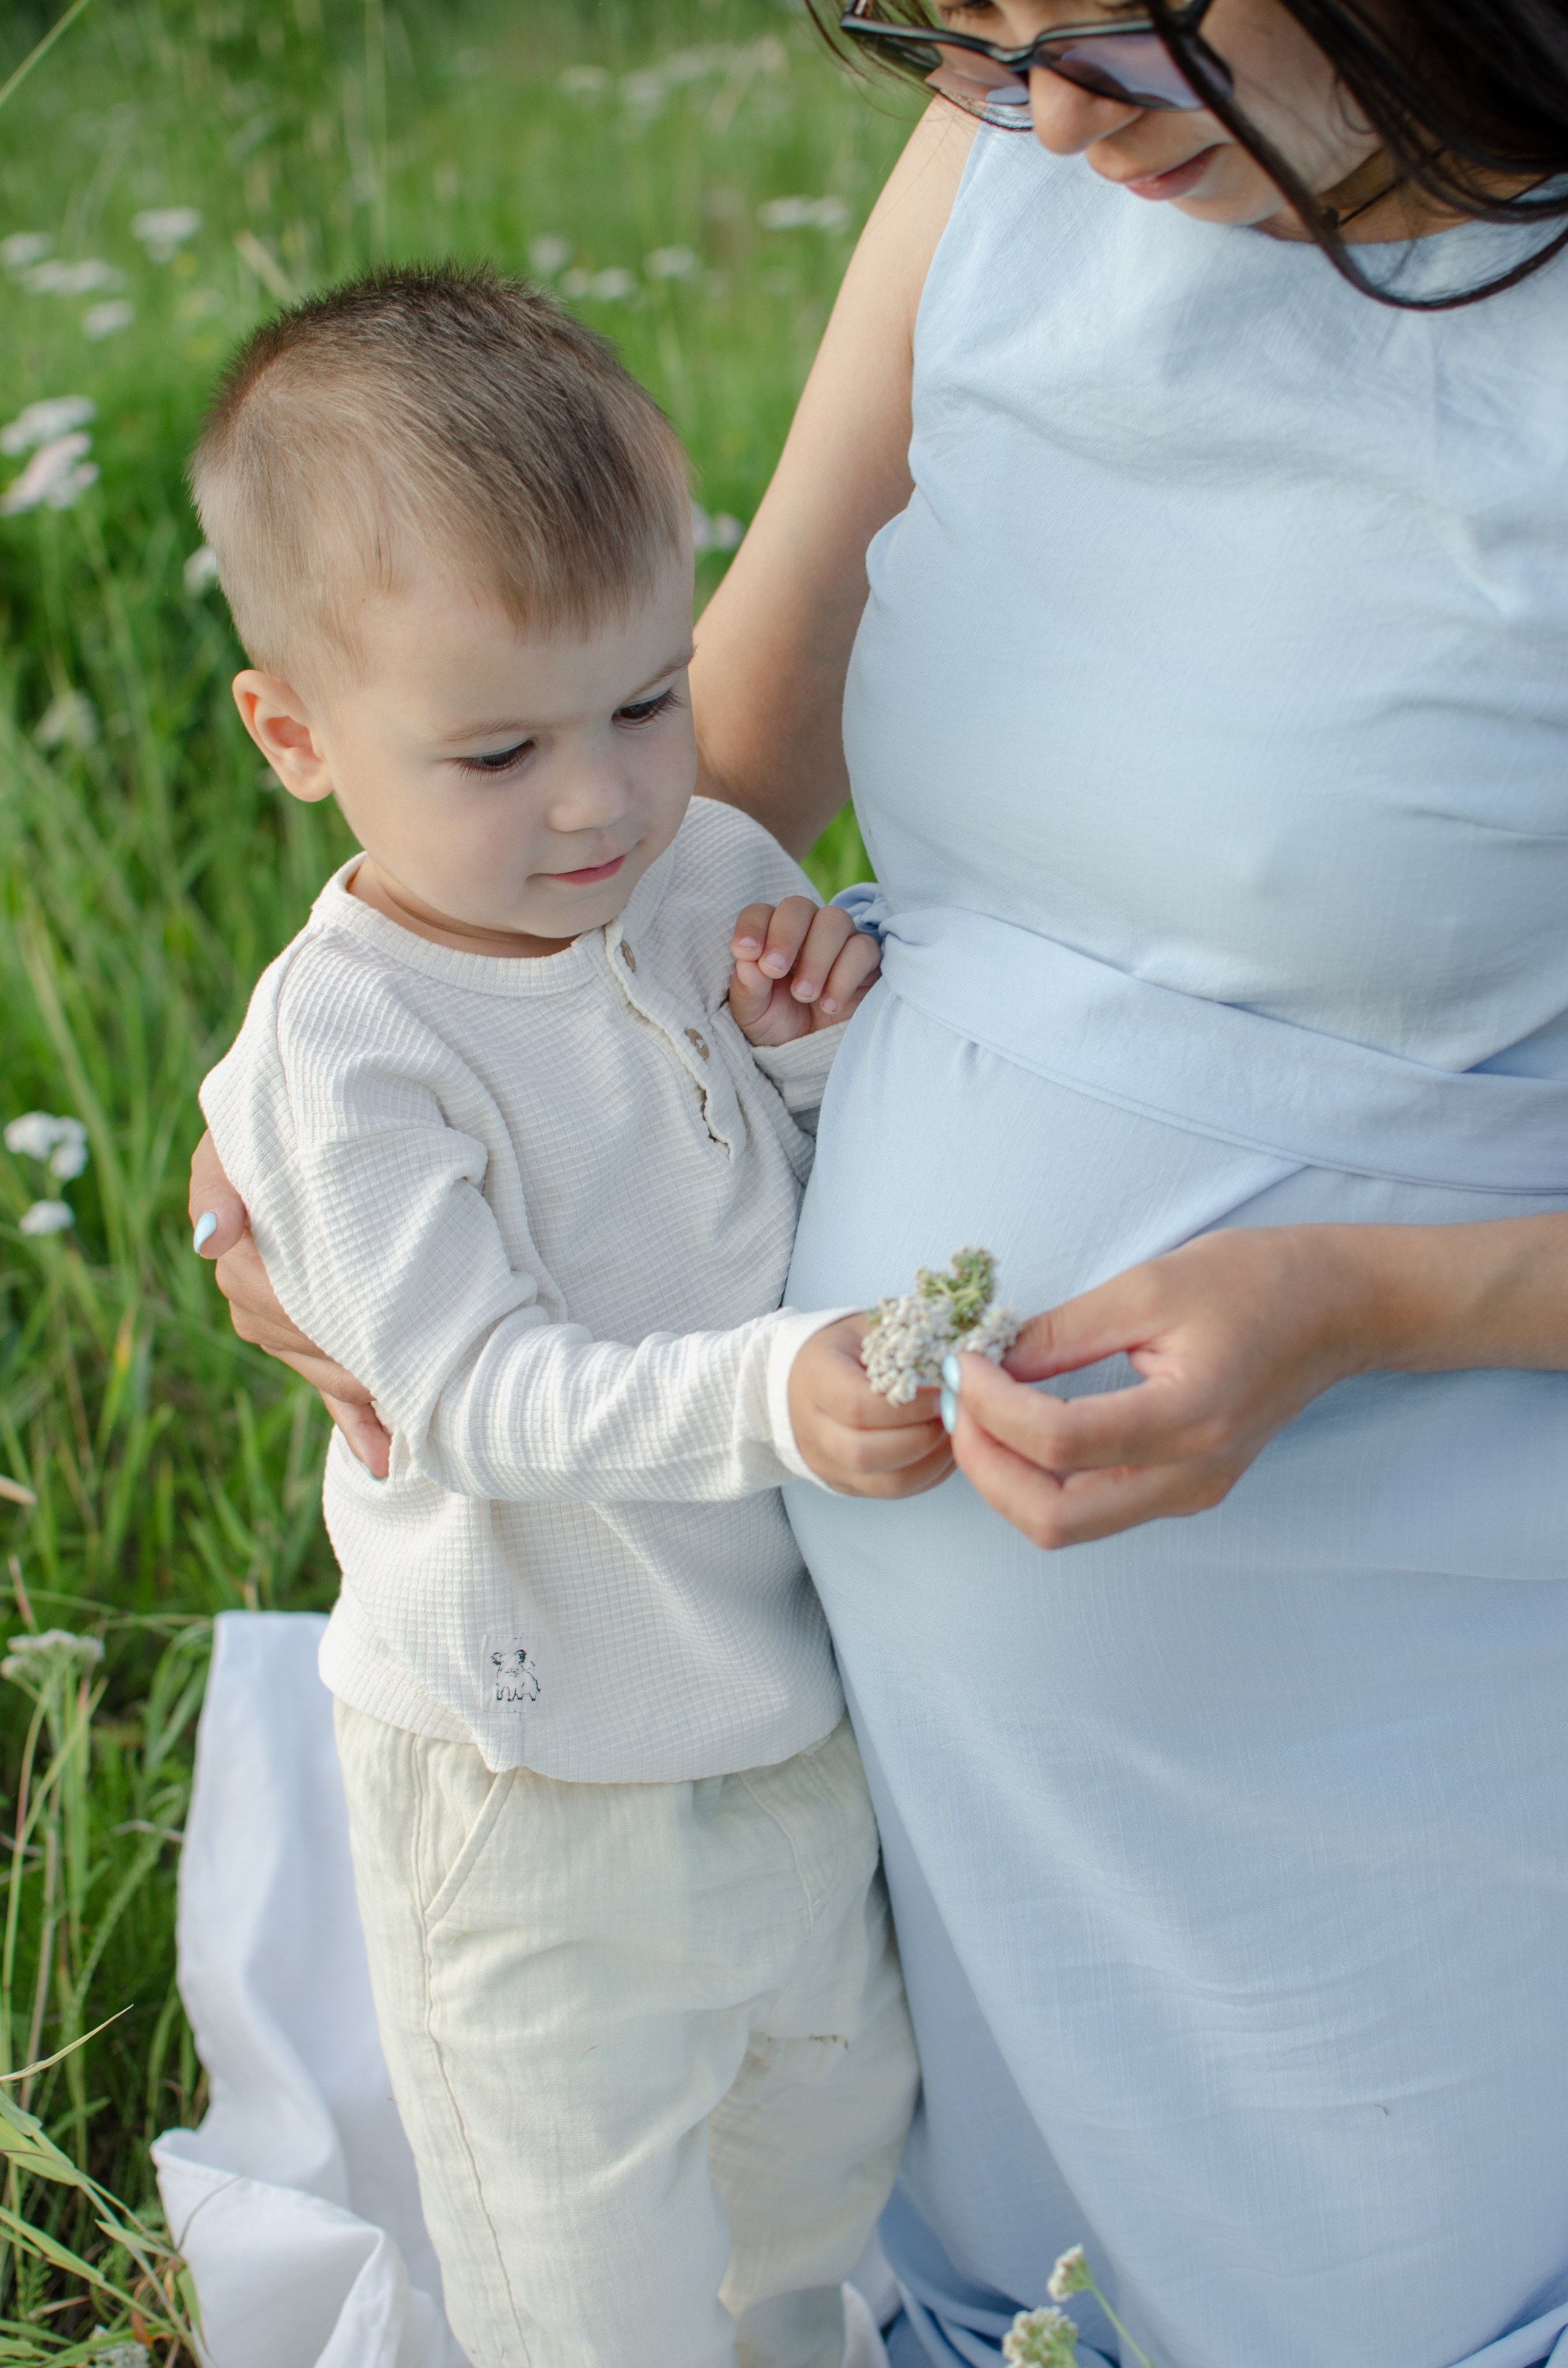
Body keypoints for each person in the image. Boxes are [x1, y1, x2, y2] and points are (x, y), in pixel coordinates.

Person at [189, 1, 1568, 2360]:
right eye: (968, 30)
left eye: (1114, 23)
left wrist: (1366, 1302)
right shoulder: (1012, 148)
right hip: (828, 1742)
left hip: (1402, 1680)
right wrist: (330, 1119)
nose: (1047, 110)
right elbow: (692, 764)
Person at [187, 262, 927, 2368]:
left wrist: (805, 1047)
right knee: (585, 2263)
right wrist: (779, 1392)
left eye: (647, 700)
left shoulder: (698, 868)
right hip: (529, 1777)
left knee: (819, 2169)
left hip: (769, 1704)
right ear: (296, 736)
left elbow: (776, 1187)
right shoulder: (352, 1047)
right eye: (501, 748)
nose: (600, 798)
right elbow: (482, 1393)